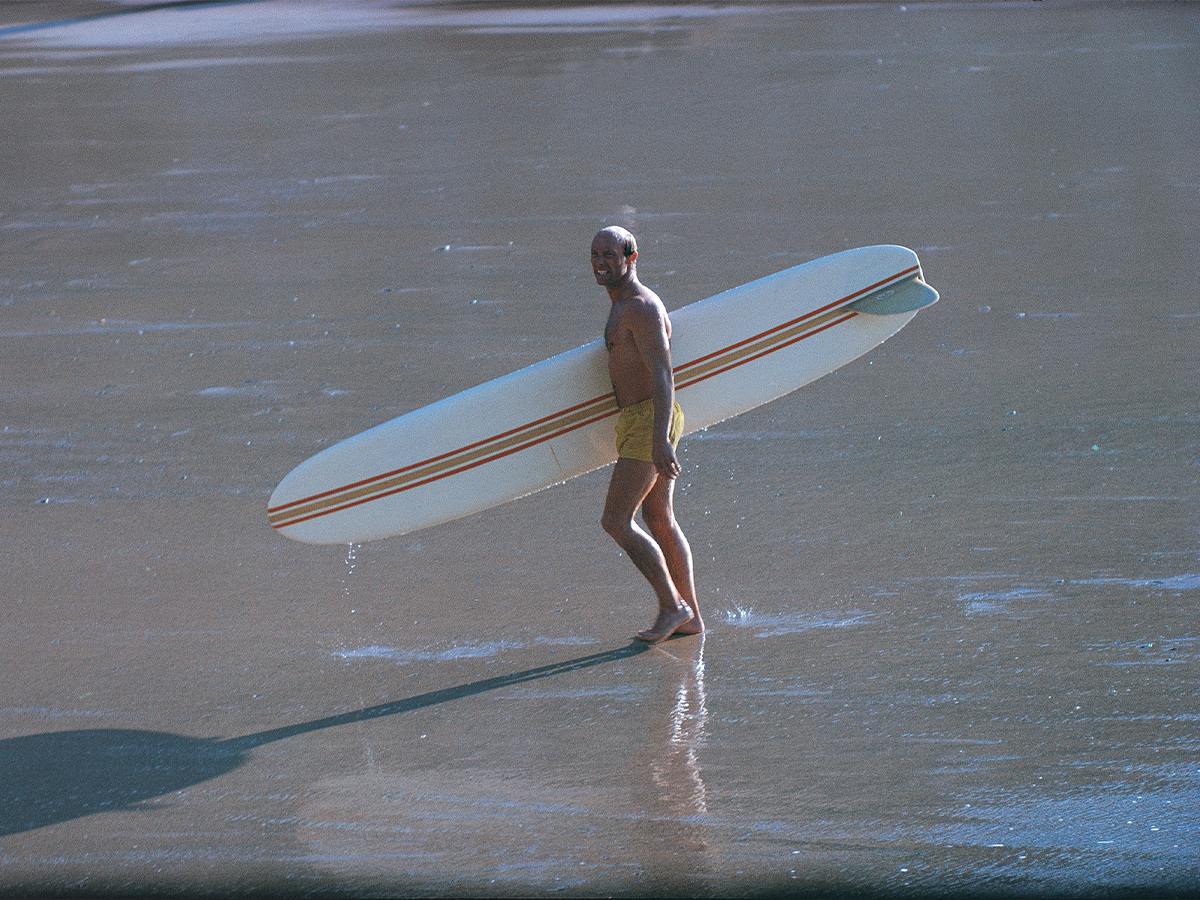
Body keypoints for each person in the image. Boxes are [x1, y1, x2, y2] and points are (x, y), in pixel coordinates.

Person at [592, 226, 704, 643]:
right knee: (658, 518)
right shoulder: (621, 306)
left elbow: (662, 372)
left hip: (648, 421)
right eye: (595, 254)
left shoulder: (640, 306)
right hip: (641, 421)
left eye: (609, 254)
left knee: (615, 521)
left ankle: (672, 606)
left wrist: (659, 437)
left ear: (631, 257)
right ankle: (690, 616)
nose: (601, 261)